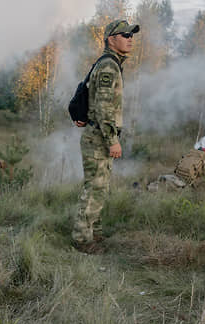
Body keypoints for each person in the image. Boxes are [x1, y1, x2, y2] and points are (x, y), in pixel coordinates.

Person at [72, 19, 139, 253]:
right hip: (99, 137)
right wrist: (113, 141)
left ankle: (95, 232)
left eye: (132, 35)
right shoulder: (109, 66)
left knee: (99, 187)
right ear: (111, 39)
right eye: (125, 35)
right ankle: (82, 240)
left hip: (95, 133)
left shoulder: (108, 63)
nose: (130, 38)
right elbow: (103, 108)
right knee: (95, 189)